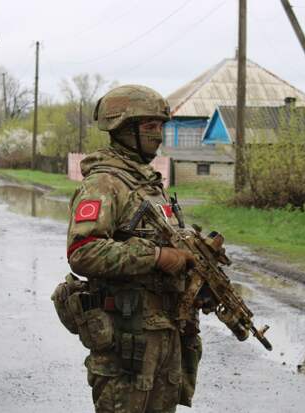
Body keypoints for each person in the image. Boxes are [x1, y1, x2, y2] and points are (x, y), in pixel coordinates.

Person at [65, 85, 203, 413]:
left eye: (162, 126)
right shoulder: (104, 184)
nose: (159, 135)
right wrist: (156, 257)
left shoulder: (148, 185)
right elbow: (83, 251)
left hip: (164, 333)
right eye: (150, 127)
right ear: (124, 130)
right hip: (127, 339)